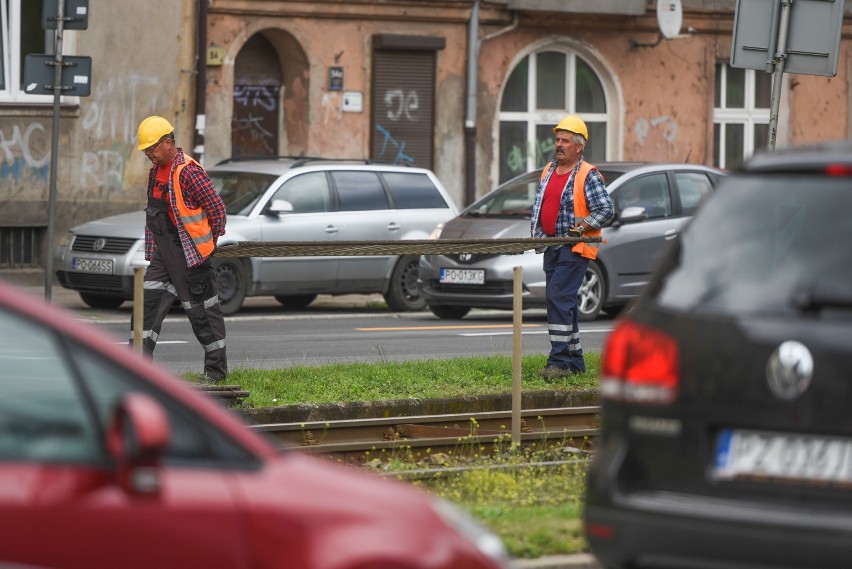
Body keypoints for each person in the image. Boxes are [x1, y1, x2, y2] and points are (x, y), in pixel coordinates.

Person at [132, 115, 228, 382]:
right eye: (145, 150)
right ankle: (135, 374)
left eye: (151, 148)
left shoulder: (189, 171)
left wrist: (208, 245)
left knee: (203, 317)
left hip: (191, 258)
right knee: (145, 311)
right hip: (164, 255)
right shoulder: (155, 172)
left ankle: (216, 375)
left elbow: (217, 210)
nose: (148, 154)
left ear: (167, 142)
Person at [530, 115, 614, 380]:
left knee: (558, 297)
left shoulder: (588, 174)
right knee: (563, 302)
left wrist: (582, 227)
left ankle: (560, 362)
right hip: (552, 246)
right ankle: (575, 361)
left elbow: (605, 209)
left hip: (574, 248)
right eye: (557, 139)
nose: (559, 144)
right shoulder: (549, 169)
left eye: (565, 140)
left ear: (579, 147)